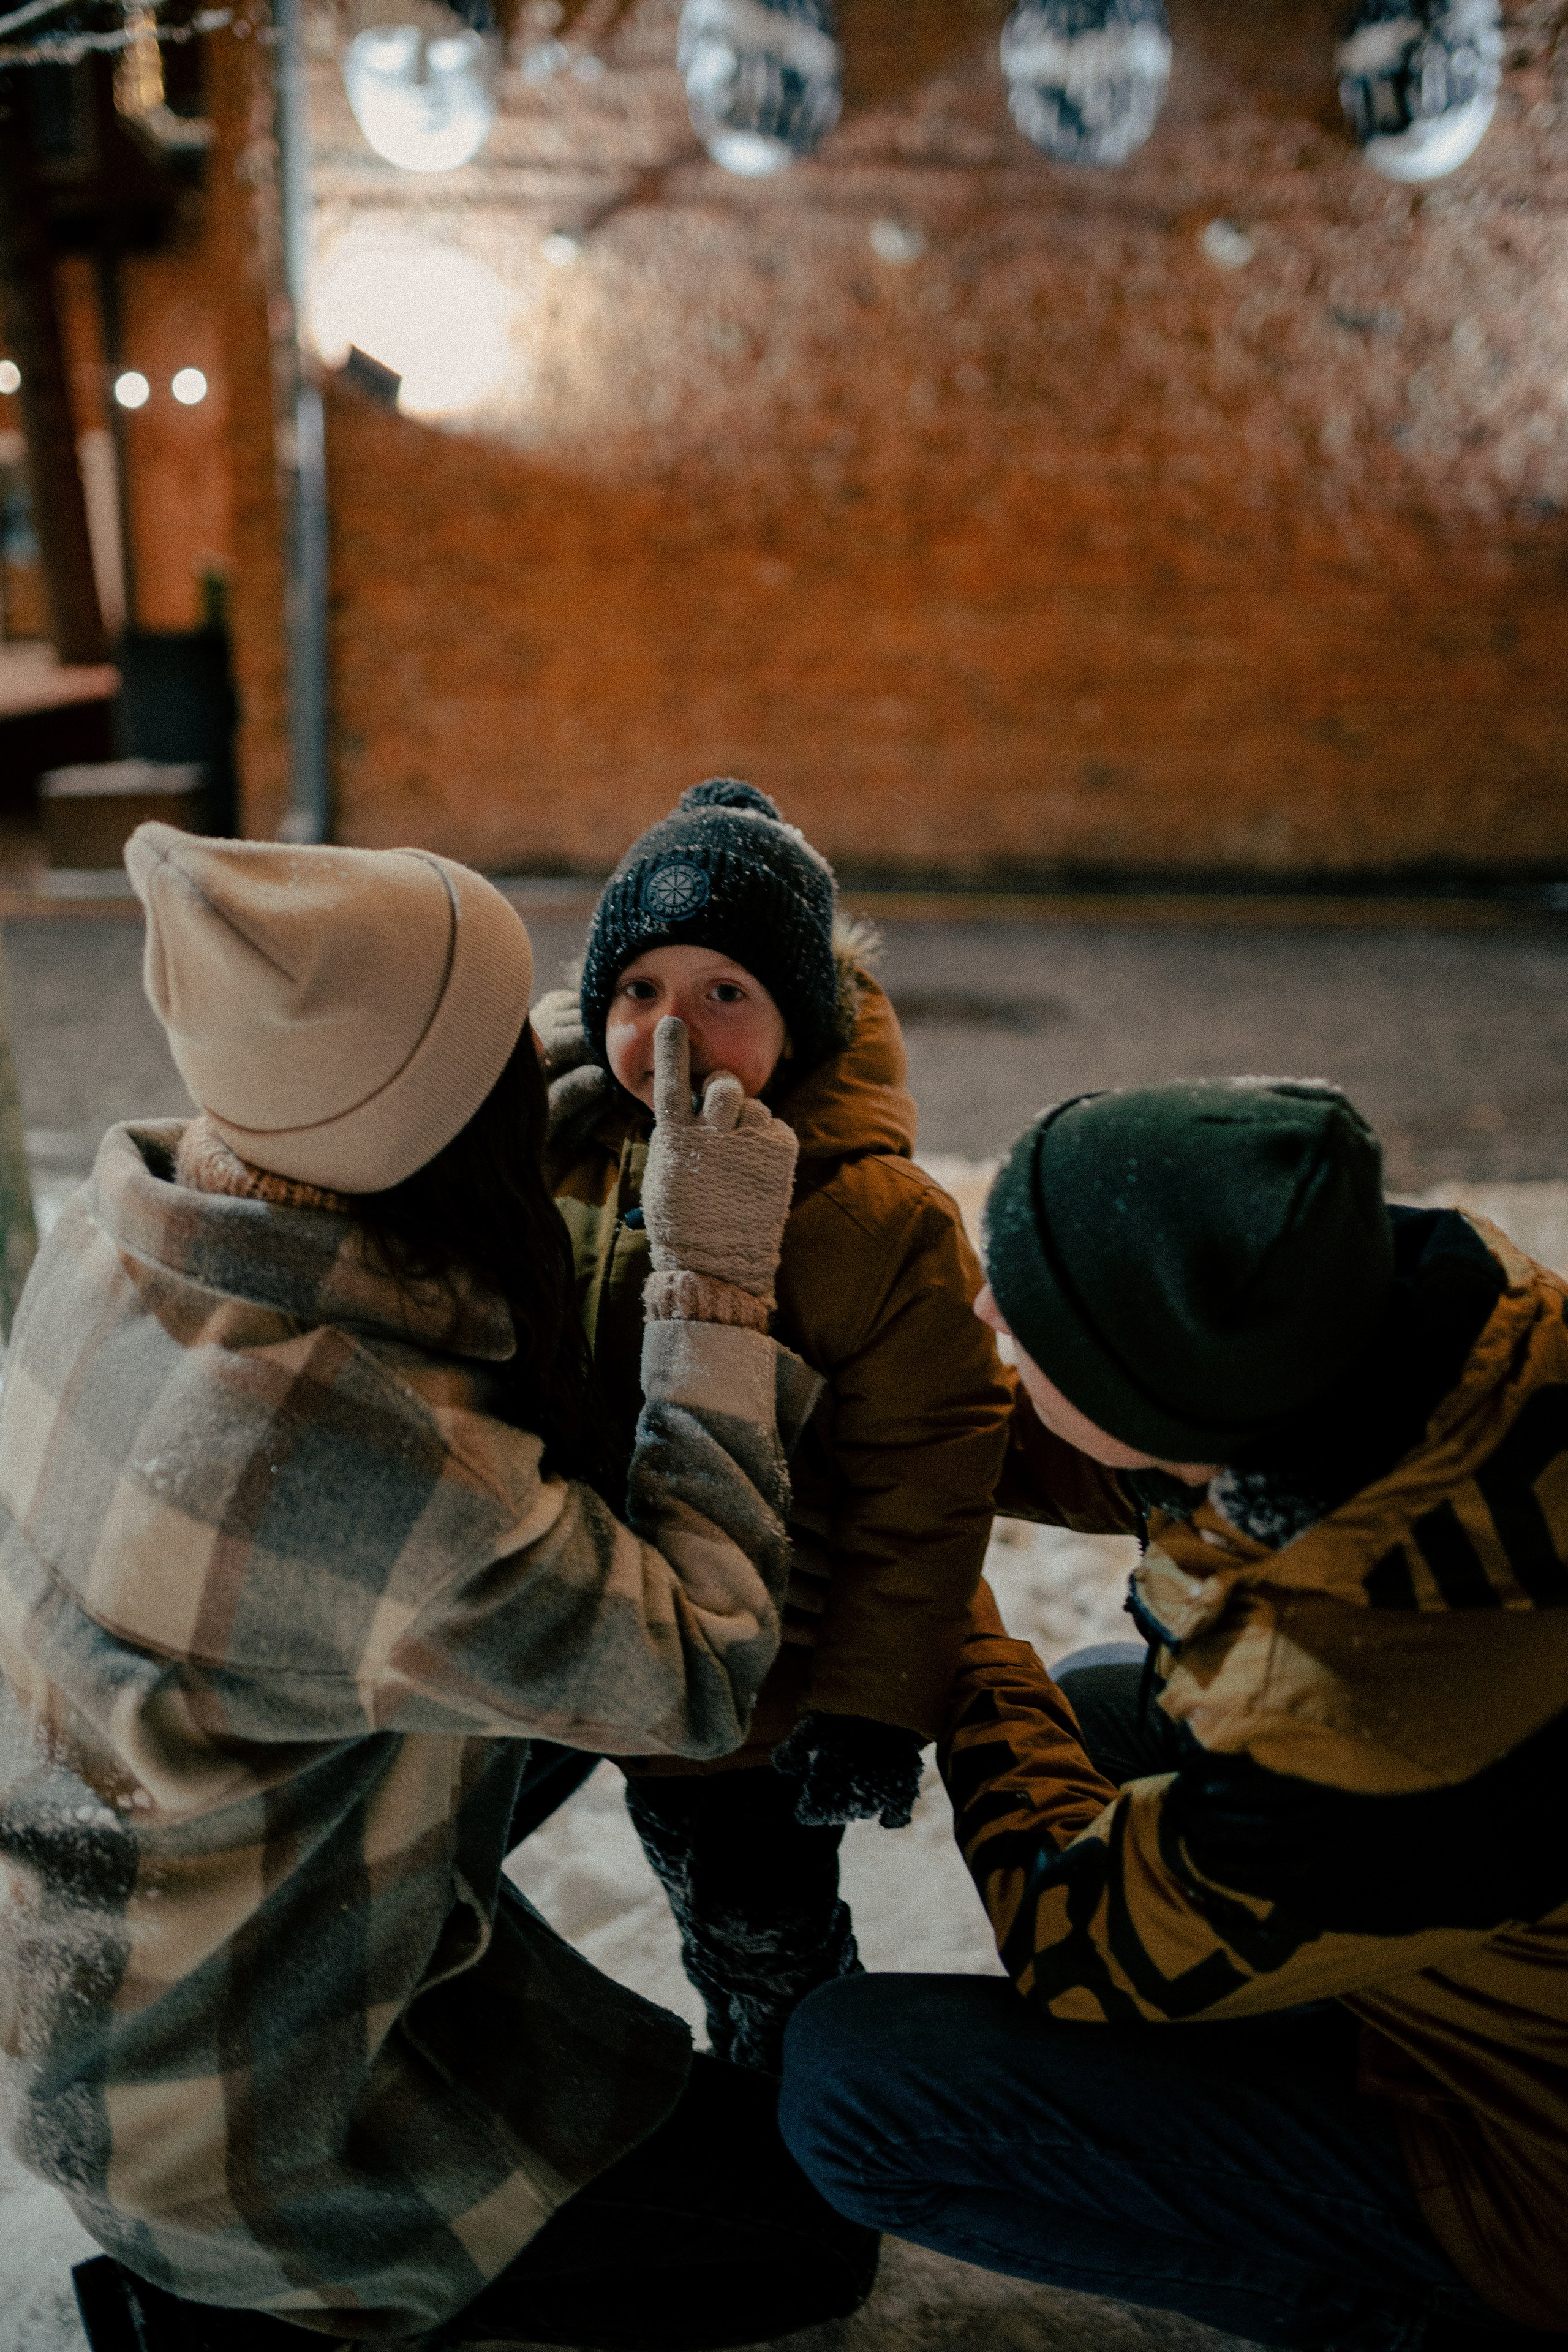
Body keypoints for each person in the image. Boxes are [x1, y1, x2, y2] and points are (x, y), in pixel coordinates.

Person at [0, 824, 876, 2349]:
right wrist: (714, 1290)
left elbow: (367, 1092)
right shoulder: (363, 1468)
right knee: (810, 2242)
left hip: (93, 2013)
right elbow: (696, 1664)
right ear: (452, 1110)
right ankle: (239, 2316)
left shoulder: (118, 1235)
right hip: (245, 2138)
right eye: (501, 1052)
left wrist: (512, 1053)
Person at [780, 1078, 1568, 2348]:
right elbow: (1139, 1453)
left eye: (1026, 1311)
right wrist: (897, 1440)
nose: (983, 1313)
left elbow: (1074, 1946)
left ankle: (1410, 2303)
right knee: (1101, 1703)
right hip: (1479, 1930)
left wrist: (936, 1611)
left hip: (1519, 2166)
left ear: (1154, 1394)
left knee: (849, 2095)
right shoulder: (1459, 1333)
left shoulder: (1352, 1712)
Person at [534, 778, 1011, 2071]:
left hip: (759, 1690)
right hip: (572, 1625)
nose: (668, 1031)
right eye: (637, 993)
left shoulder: (870, 1216)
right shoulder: (571, 1145)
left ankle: (793, 2125)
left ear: (798, 1018)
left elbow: (928, 1478)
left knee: (754, 1929)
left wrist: (868, 1706)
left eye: (722, 994)